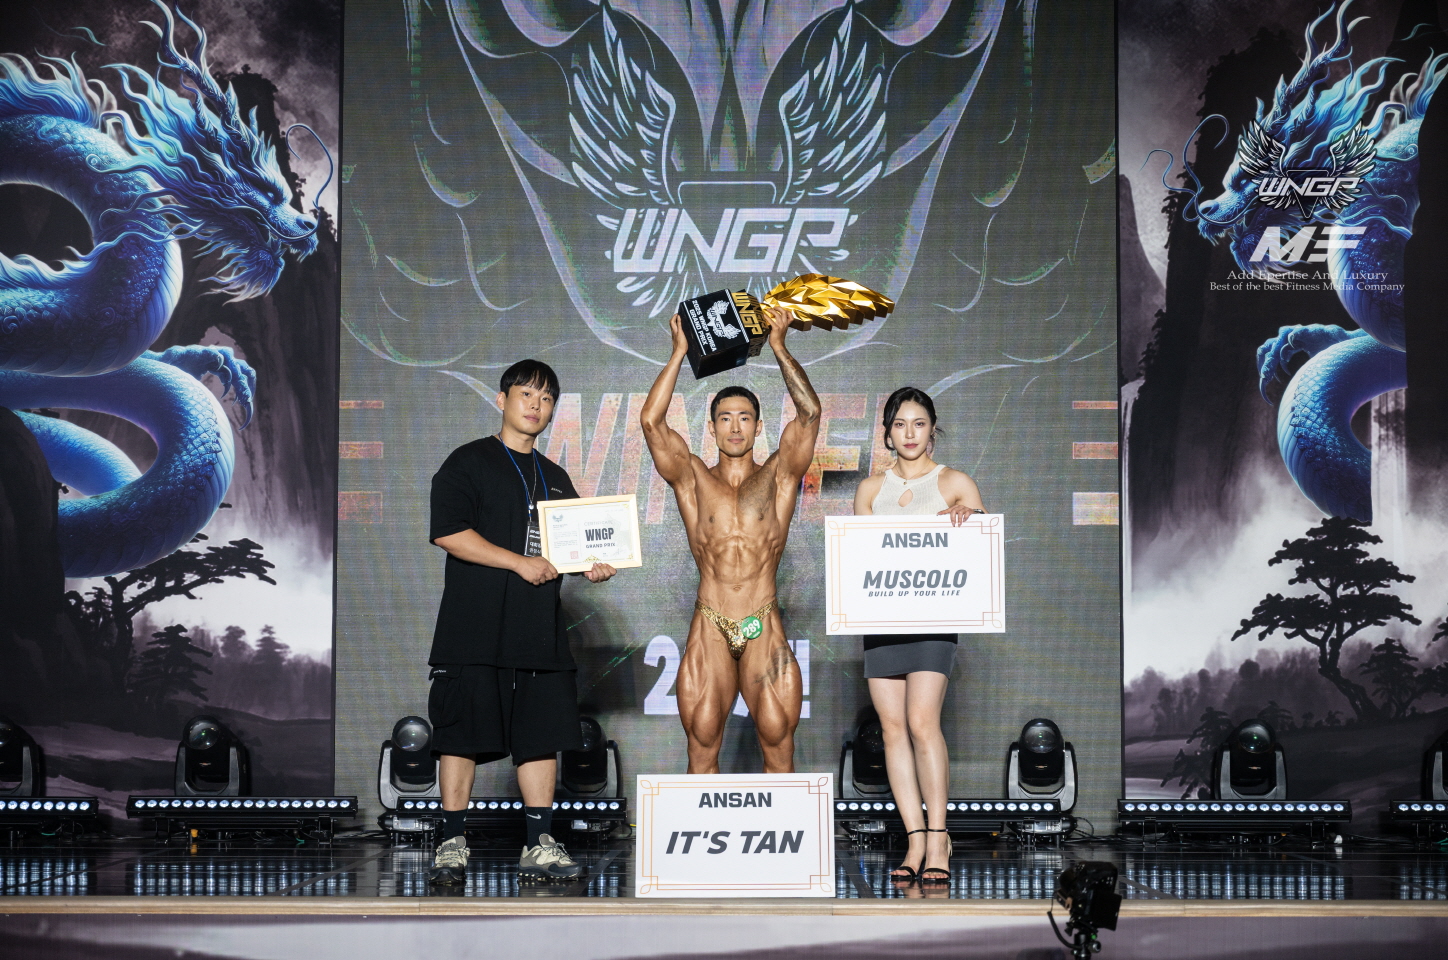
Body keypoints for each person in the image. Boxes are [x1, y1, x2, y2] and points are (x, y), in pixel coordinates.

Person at [425, 359, 617, 885]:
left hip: (538, 631)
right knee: (460, 735)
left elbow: (575, 547)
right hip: (473, 627)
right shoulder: (467, 462)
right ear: (502, 399)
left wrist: (593, 565)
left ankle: (539, 844)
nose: (536, 405)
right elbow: (448, 532)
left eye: (546, 398)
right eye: (526, 394)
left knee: (540, 736)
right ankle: (451, 844)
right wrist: (517, 562)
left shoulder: (555, 477)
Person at [640, 307, 819, 773]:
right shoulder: (692, 477)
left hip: (763, 618)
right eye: (725, 418)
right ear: (712, 427)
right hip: (711, 620)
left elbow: (809, 413)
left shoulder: (779, 475)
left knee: (778, 738)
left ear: (759, 426)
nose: (735, 427)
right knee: (701, 740)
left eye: (744, 418)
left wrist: (778, 345)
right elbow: (652, 423)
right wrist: (680, 352)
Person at [852, 386, 984, 884]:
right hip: (882, 621)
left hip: (933, 621)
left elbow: (980, 556)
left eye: (919, 423)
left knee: (922, 721)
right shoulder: (870, 490)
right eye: (900, 424)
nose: (909, 433)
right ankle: (913, 839)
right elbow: (861, 561)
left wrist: (970, 520)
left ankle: (939, 837)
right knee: (891, 729)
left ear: (933, 429)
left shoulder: (955, 483)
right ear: (888, 433)